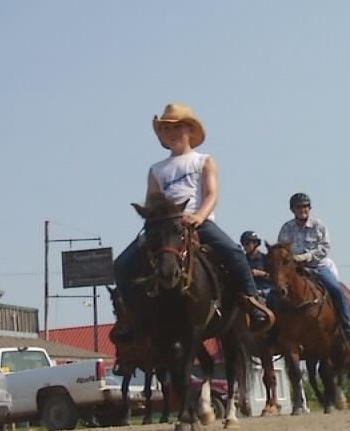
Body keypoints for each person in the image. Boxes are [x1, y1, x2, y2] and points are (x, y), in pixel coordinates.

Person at [111, 103, 271, 343]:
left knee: (234, 253)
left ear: (190, 130)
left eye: (177, 127)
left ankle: (252, 303)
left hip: (197, 221)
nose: (172, 133)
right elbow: (152, 201)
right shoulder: (156, 169)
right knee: (122, 263)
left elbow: (212, 194)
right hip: (164, 226)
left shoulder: (203, 160)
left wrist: (198, 216)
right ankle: (130, 317)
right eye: (166, 129)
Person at [277, 193, 350, 342]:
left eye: (305, 206)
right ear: (292, 209)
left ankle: (346, 325)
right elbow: (281, 249)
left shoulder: (318, 225)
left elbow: (324, 247)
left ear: (309, 208)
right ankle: (275, 332)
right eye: (299, 207)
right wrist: (291, 259)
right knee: (274, 294)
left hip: (317, 267)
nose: (302, 210)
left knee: (336, 290)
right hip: (294, 270)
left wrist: (306, 257)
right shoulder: (286, 228)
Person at [240, 230, 274, 311]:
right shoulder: (242, 261)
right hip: (249, 293)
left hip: (266, 293)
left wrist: (261, 274)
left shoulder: (266, 259)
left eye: (247, 244)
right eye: (243, 244)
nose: (245, 247)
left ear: (255, 243)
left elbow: (274, 278)